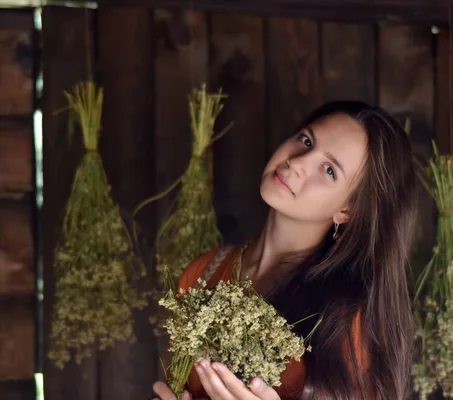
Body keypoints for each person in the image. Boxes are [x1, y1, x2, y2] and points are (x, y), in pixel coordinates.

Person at [152, 101, 418, 400]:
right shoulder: (204, 271)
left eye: (329, 170)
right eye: (306, 140)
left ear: (348, 210)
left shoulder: (349, 320)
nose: (297, 162)